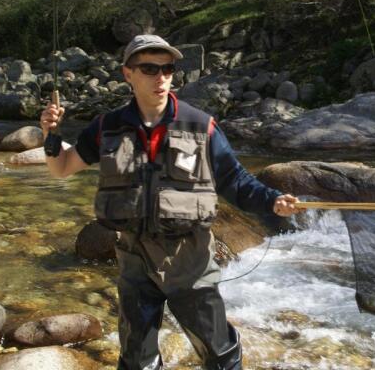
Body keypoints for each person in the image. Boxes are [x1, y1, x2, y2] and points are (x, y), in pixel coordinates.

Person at [40, 34, 302, 370]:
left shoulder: (200, 126)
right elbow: (62, 168)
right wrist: (50, 136)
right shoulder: (107, 126)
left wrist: (273, 200)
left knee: (219, 354)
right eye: (149, 68)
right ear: (127, 74)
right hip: (134, 259)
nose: (161, 77)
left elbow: (236, 181)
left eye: (168, 69)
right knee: (137, 360)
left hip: (189, 259)